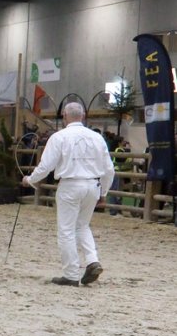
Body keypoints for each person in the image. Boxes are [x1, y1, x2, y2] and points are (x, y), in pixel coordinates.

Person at [22, 101, 113, 286]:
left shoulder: (59, 137)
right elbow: (109, 169)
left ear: (64, 116)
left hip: (70, 185)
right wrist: (103, 191)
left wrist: (30, 179)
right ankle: (92, 260)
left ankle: (71, 274)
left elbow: (46, 166)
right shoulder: (97, 137)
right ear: (83, 116)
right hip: (92, 185)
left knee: (66, 230)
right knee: (82, 226)